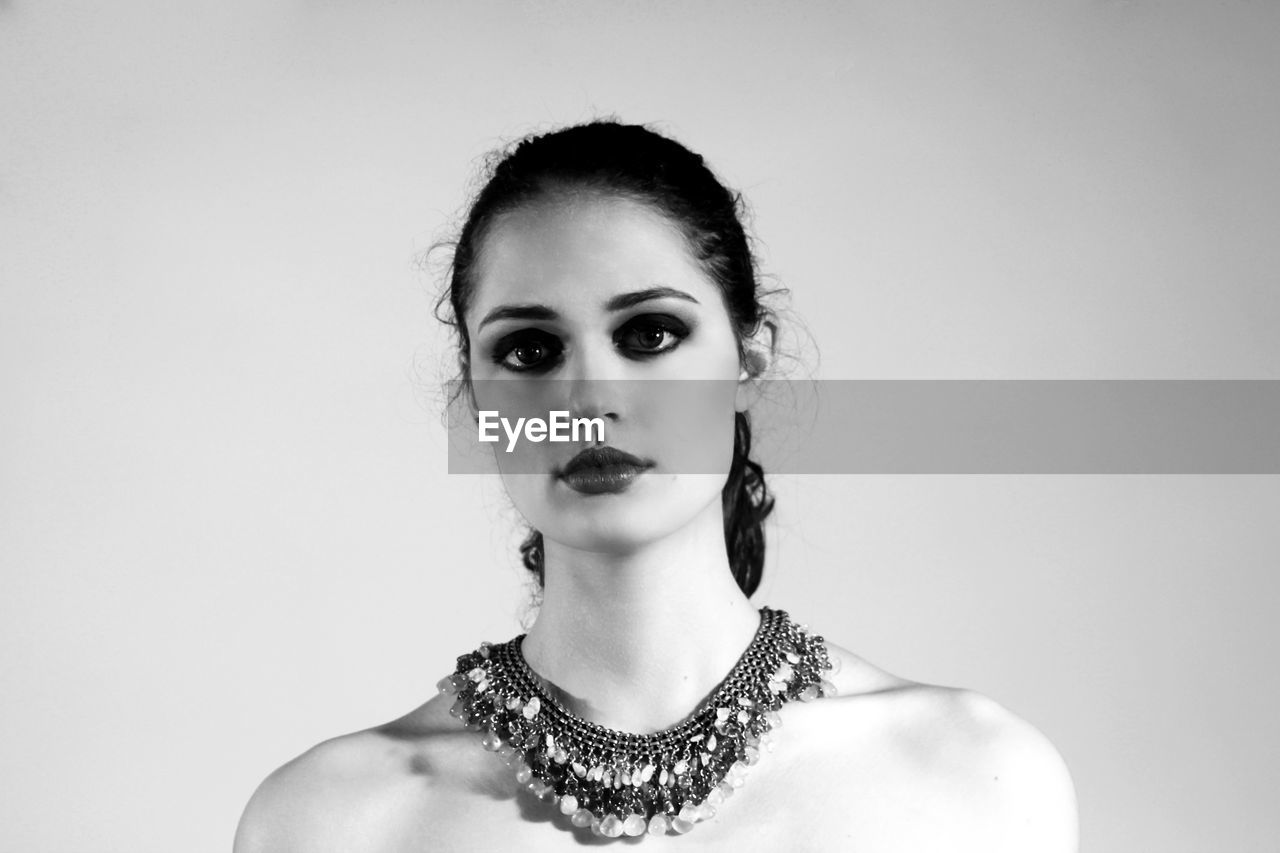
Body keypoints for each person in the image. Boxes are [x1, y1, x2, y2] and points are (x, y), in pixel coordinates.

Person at [234, 120, 1078, 851]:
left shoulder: (973, 781)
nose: (590, 398)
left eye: (650, 333)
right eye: (531, 350)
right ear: (475, 401)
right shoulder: (330, 822)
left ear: (750, 359)